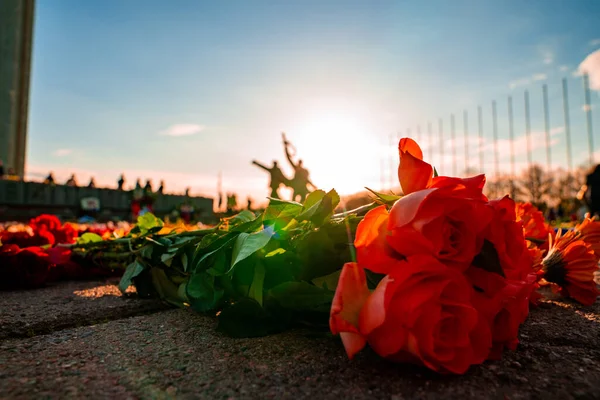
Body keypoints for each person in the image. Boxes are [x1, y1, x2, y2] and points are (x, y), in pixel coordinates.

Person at [282, 132, 316, 202]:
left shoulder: (304, 171)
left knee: (302, 203)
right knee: (293, 203)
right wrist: (285, 147)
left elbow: (307, 179)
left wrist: (313, 186)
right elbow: (288, 158)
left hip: (302, 188)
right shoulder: (296, 169)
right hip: (296, 188)